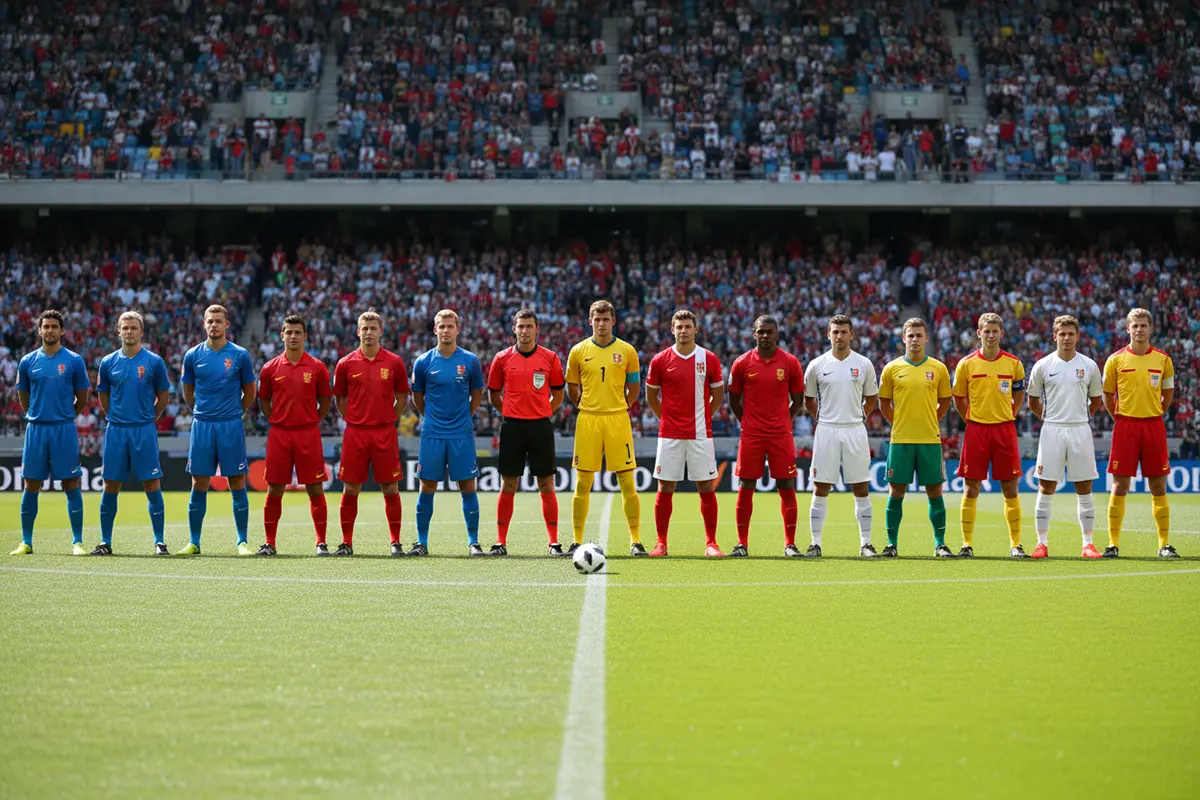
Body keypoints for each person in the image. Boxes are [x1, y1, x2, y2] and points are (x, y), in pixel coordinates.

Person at [645, 309, 726, 558]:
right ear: (672, 330)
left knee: (705, 486)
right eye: (679, 326)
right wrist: (668, 419)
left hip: (701, 434)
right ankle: (661, 543)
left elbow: (718, 396)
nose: (683, 330)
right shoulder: (660, 360)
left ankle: (711, 543)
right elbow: (652, 397)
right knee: (665, 485)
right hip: (669, 434)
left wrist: (701, 418)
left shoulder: (708, 358)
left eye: (688, 326)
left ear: (696, 329)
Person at [566, 300, 644, 556]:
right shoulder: (578, 350)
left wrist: (623, 405)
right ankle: (577, 540)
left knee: (626, 481)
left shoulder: (627, 351)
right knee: (583, 482)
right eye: (596, 319)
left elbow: (634, 386)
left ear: (613, 321)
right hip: (588, 419)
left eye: (605, 319)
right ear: (590, 321)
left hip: (617, 419)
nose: (601, 324)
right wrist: (583, 405)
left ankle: (635, 540)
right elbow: (572, 387)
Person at [177, 305, 257, 556]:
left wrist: (234, 413)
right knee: (199, 482)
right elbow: (188, 393)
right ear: (204, 324)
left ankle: (242, 542)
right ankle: (194, 542)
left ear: (227, 324)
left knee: (236, 481)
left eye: (218, 321)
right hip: (202, 424)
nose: (214, 325)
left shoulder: (240, 355)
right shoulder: (192, 356)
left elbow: (250, 392)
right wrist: (202, 412)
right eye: (210, 321)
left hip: (230, 425)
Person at [11, 310, 90, 556]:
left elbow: (83, 397)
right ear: (39, 330)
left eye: (55, 326)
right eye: (46, 326)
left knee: (70, 483)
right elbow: (23, 396)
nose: (50, 330)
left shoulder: (74, 361)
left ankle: (77, 542)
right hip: (37, 429)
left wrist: (65, 415)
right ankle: (26, 542)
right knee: (31, 484)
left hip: (63, 429)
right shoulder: (27, 362)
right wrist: (37, 413)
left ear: (62, 331)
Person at [487, 309, 565, 556]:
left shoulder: (550, 358)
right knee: (509, 484)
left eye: (529, 326)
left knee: (546, 483)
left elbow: (559, 393)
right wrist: (510, 412)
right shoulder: (501, 358)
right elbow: (494, 394)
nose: (524, 330)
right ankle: (501, 542)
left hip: (540, 426)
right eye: (520, 326)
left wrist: (542, 411)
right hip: (512, 427)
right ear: (514, 329)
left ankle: (553, 542)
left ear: (537, 328)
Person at [1102, 308, 1179, 558]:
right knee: (1120, 486)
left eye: (1143, 325)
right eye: (1134, 326)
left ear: (1151, 329)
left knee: (1158, 485)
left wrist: (1154, 412)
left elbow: (1167, 395)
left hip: (1153, 425)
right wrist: (1121, 418)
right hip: (1125, 426)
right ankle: (1113, 544)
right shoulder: (1115, 360)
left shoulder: (1163, 360)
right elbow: (1107, 394)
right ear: (1127, 329)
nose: (1139, 330)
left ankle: (1164, 544)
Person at [332, 310, 410, 556]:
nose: (368, 333)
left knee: (390, 488)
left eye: (372, 328)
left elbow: (402, 397)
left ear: (380, 331)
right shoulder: (345, 363)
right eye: (364, 328)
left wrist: (388, 418)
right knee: (351, 488)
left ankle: (395, 542)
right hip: (355, 433)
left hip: (384, 432)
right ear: (357, 332)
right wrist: (354, 418)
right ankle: (346, 543)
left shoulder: (394, 362)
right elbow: (340, 399)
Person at [1027, 315, 1105, 559]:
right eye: (1062, 334)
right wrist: (1050, 418)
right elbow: (1032, 400)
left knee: (1084, 487)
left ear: (1078, 336)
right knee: (1046, 486)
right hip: (1051, 429)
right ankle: (1041, 544)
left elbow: (1096, 400)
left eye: (1071, 334)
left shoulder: (1089, 365)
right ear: (1054, 336)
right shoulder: (1043, 366)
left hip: (1080, 429)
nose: (1067, 338)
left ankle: (1088, 544)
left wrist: (1079, 416)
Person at [728, 315, 805, 557]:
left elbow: (799, 399)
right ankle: (742, 544)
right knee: (746, 484)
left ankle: (790, 544)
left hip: (780, 434)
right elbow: (733, 399)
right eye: (761, 331)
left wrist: (783, 420)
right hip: (751, 434)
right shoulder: (741, 363)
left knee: (786, 484)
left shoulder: (790, 362)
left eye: (769, 332)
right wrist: (748, 422)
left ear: (777, 334)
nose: (765, 336)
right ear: (754, 333)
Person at [94, 311, 171, 556]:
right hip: (116, 431)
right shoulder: (107, 363)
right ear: (118, 331)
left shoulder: (154, 361)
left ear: (141, 331)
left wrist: (149, 418)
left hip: (143, 430)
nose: (129, 331)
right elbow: (104, 398)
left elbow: (164, 397)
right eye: (124, 328)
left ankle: (159, 542)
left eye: (133, 328)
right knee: (110, 485)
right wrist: (117, 416)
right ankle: (105, 542)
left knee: (152, 483)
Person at [953, 312, 1029, 558]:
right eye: (986, 331)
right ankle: (966, 544)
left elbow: (1019, 393)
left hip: (1004, 429)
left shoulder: (1013, 363)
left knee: (1010, 488)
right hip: (976, 429)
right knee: (971, 487)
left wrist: (1012, 411)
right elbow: (958, 397)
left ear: (1002, 333)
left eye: (995, 331)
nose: (991, 335)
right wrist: (970, 418)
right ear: (979, 333)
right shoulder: (966, 364)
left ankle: (1016, 544)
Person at [803, 314, 879, 558]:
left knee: (861, 487)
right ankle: (815, 544)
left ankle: (866, 544)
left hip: (855, 429)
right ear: (828, 334)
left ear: (852, 335)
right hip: (826, 429)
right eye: (835, 332)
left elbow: (872, 397)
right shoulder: (817, 365)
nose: (839, 336)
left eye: (844, 332)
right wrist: (822, 418)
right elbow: (809, 399)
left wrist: (861, 416)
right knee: (821, 486)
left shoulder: (864, 364)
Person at [411, 310, 485, 556]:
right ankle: (422, 542)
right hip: (432, 434)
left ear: (458, 329)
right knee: (427, 486)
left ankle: (473, 542)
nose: (446, 330)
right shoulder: (423, 362)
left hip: (461, 434)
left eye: (450, 326)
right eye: (441, 326)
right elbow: (418, 398)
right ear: (435, 330)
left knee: (467, 485)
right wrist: (431, 418)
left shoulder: (470, 360)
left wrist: (464, 416)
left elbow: (477, 395)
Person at [257, 315, 333, 556]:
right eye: (288, 332)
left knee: (315, 489)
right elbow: (264, 402)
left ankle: (321, 542)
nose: (292, 336)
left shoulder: (317, 367)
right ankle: (270, 543)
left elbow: (325, 401)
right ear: (281, 335)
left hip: (308, 434)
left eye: (297, 332)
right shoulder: (270, 368)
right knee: (274, 489)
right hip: (279, 434)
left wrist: (310, 420)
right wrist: (280, 420)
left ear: (305, 336)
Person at [877, 318, 952, 557]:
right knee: (896, 491)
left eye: (919, 335)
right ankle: (891, 544)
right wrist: (899, 422)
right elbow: (884, 403)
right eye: (911, 336)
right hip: (901, 440)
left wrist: (931, 418)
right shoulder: (892, 368)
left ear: (926, 338)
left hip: (930, 439)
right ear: (903, 338)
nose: (915, 340)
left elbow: (945, 401)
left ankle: (940, 544)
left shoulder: (938, 368)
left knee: (935, 492)